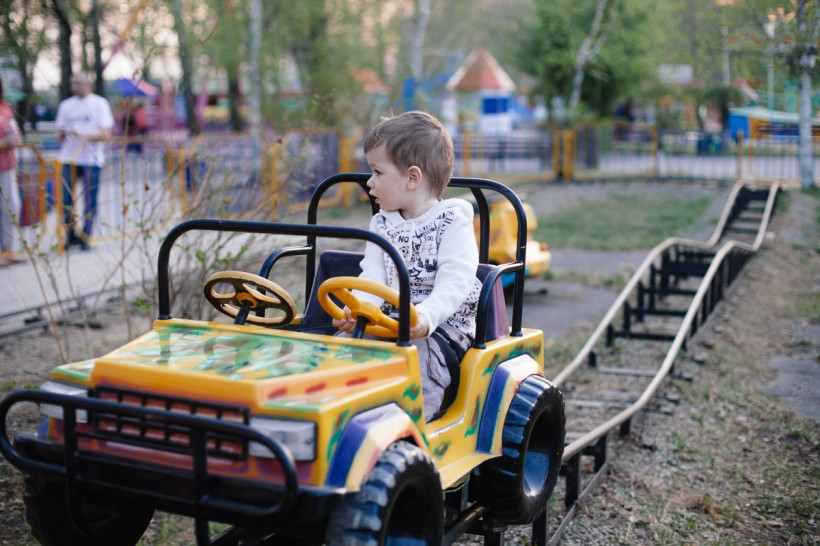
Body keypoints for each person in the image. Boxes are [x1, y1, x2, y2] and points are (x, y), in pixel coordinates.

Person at [333, 111, 482, 421]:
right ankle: (344, 420)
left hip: (441, 325)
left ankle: (411, 432)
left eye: (377, 172)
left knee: (418, 361)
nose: (369, 182)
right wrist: (359, 310)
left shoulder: (452, 222)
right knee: (343, 349)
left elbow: (456, 280)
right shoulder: (382, 223)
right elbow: (374, 275)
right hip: (390, 319)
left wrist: (427, 316)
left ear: (412, 178)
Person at [55, 73, 114, 251]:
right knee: (66, 199)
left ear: (88, 84)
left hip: (91, 159)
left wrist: (83, 135)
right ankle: (70, 235)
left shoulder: (99, 103)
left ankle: (86, 237)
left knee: (90, 200)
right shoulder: (66, 105)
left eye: (78, 82)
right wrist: (63, 134)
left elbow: (106, 134)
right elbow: (59, 134)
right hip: (69, 158)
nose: (74, 85)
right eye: (72, 82)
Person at [0, 75, 23, 266]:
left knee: (12, 207)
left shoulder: (5, 106)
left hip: (7, 167)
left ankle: (9, 251)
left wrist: (16, 139)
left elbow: (14, 131)